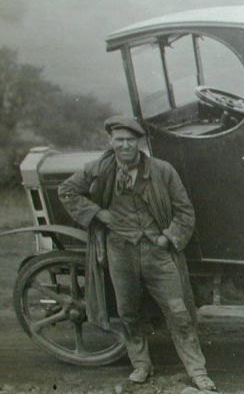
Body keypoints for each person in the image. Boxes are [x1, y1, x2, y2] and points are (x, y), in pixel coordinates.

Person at [58, 116, 216, 391]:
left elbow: (185, 212)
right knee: (129, 313)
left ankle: (197, 371)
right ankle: (141, 365)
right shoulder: (99, 169)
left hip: (157, 254)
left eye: (130, 140)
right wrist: (99, 214)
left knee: (179, 313)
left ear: (139, 142)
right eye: (119, 140)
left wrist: (168, 239)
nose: (125, 145)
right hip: (120, 252)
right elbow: (67, 190)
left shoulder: (162, 171)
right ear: (111, 142)